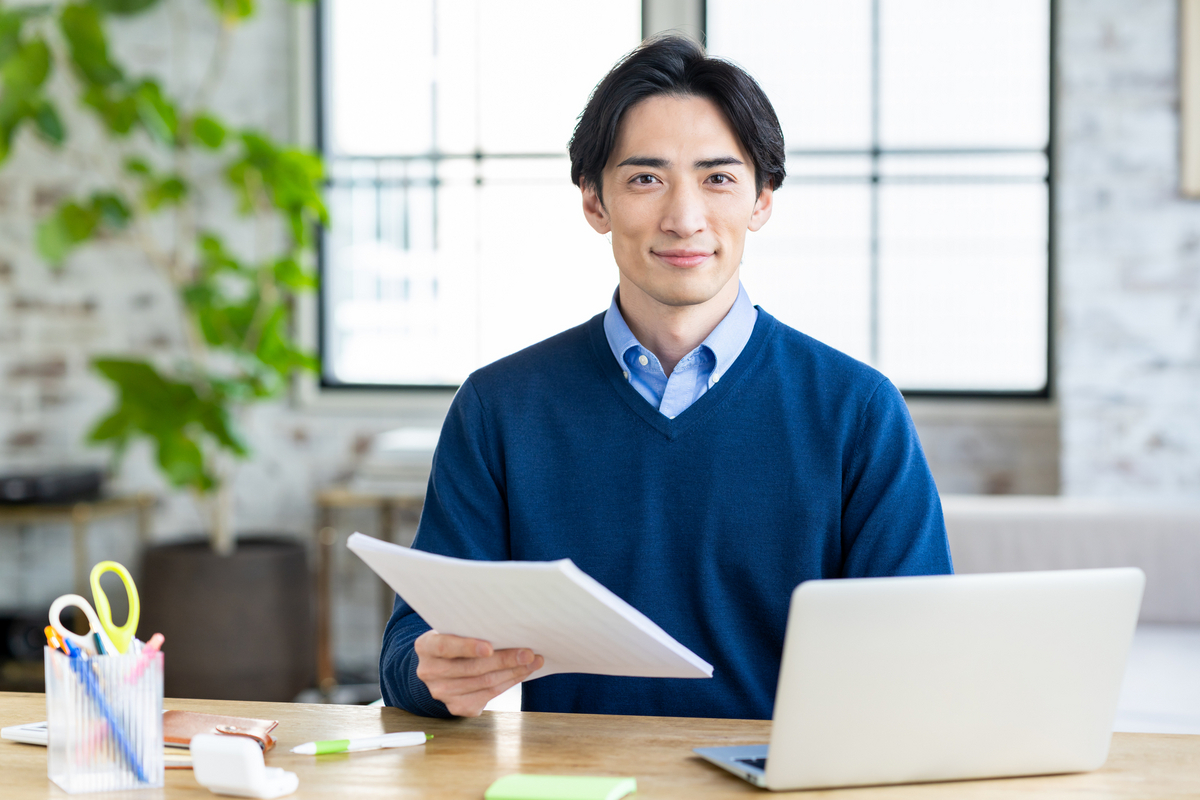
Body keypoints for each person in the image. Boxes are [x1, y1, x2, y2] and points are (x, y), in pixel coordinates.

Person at [379, 35, 953, 720]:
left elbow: (924, 660)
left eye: (719, 179)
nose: (684, 219)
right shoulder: (501, 407)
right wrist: (435, 673)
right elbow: (408, 652)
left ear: (763, 200)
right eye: (646, 179)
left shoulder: (857, 412)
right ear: (595, 202)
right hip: (573, 789)